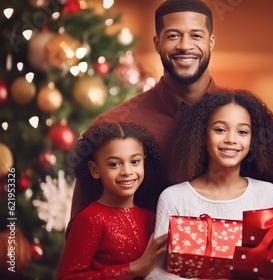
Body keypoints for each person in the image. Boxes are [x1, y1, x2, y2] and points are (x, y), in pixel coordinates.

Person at [69, 0, 225, 222]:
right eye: (173, 36)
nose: (184, 45)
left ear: (211, 42)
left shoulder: (245, 120)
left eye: (196, 36)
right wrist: (138, 260)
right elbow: (80, 231)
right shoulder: (113, 125)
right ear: (157, 44)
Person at [146, 90, 273, 279]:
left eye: (242, 132)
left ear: (252, 142)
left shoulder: (267, 194)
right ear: (203, 136)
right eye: (220, 130)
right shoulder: (174, 197)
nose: (231, 139)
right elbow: (154, 272)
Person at [56, 122, 169, 279]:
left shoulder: (151, 217)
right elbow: (66, 277)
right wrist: (131, 269)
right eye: (114, 164)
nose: (127, 172)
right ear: (95, 170)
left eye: (135, 161)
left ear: (144, 161)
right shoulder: (91, 219)